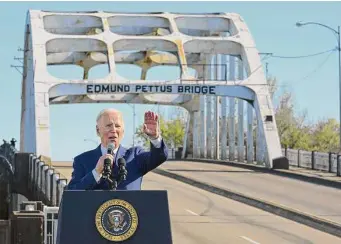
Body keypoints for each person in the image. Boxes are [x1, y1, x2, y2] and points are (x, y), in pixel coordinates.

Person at [66, 108, 168, 190]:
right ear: (98, 130)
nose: (114, 130)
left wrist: (154, 138)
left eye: (118, 126)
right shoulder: (82, 160)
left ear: (123, 132)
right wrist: (96, 172)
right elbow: (72, 193)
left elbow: (159, 156)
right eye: (109, 126)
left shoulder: (135, 156)